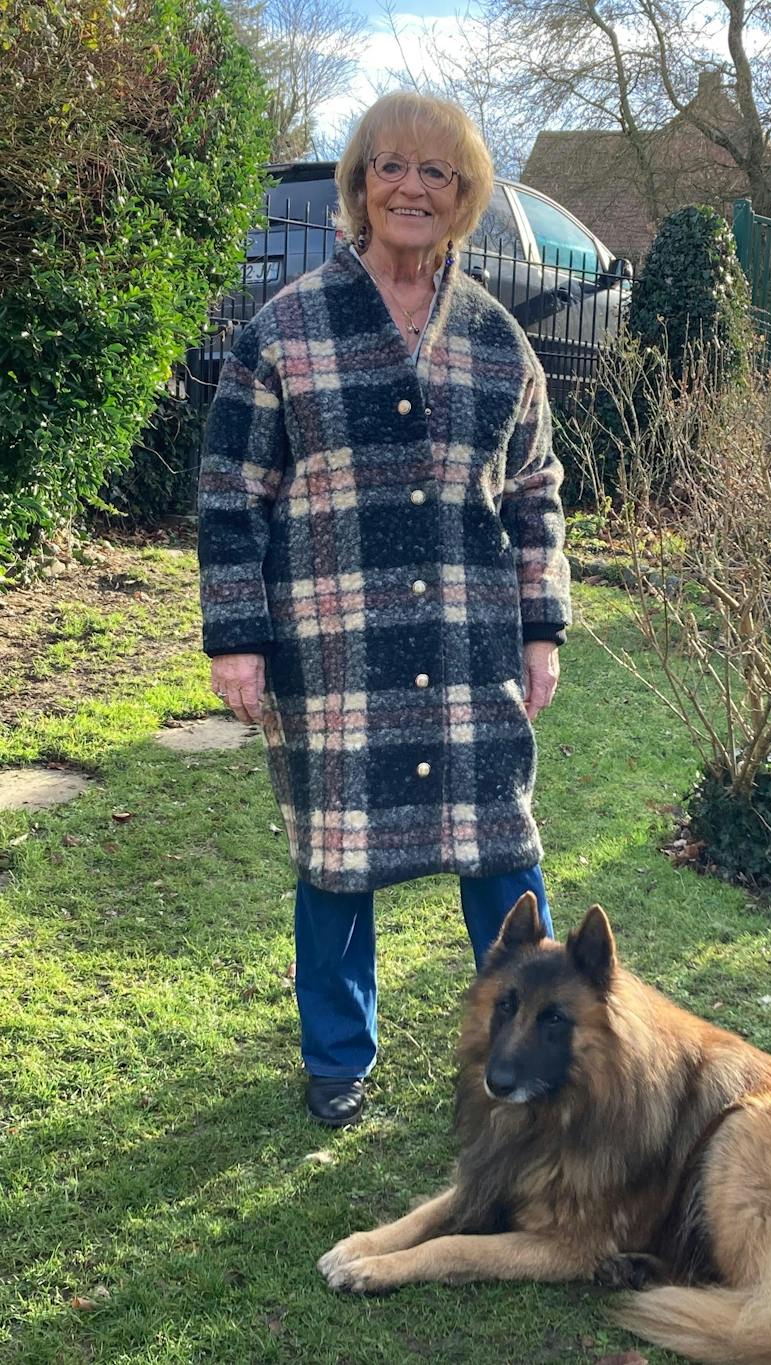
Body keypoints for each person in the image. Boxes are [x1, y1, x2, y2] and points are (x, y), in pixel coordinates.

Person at [197, 91, 571, 1127]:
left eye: (436, 172)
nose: (412, 188)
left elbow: (534, 491)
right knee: (337, 859)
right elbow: (232, 493)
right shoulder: (284, 329)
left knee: (503, 853)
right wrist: (237, 639)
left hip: (469, 648)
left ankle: (535, 1050)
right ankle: (337, 1056)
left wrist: (541, 627)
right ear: (360, 183)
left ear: (464, 195)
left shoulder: (497, 340)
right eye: (391, 166)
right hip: (333, 648)